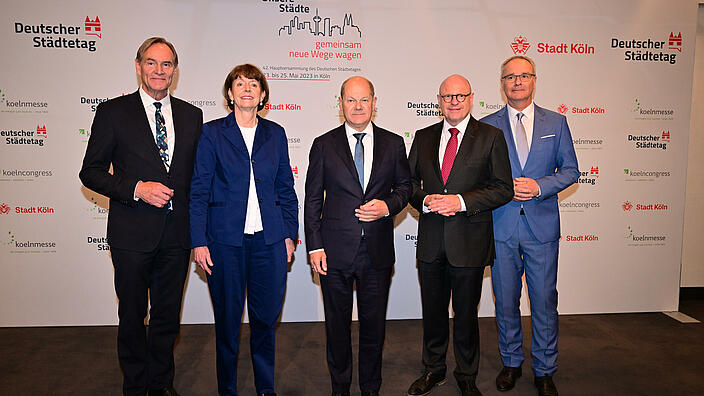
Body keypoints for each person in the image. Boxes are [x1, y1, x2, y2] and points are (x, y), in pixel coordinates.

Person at [79, 37, 203, 396]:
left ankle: (161, 383)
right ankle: (134, 385)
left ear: (175, 71)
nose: (159, 71)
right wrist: (137, 188)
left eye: (166, 65)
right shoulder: (112, 112)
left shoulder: (192, 115)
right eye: (151, 63)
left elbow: (198, 177)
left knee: (167, 318)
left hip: (177, 236)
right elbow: (91, 172)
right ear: (138, 66)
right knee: (132, 317)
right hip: (132, 234)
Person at [189, 64, 298, 396]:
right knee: (227, 325)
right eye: (240, 84)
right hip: (224, 244)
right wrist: (198, 241)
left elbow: (286, 188)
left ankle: (265, 388)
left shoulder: (275, 133)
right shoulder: (212, 133)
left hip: (270, 242)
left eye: (254, 84)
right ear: (229, 94)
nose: (247, 89)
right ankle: (228, 390)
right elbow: (199, 190)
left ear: (263, 94)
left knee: (265, 323)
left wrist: (290, 234)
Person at [406, 74, 513, 396]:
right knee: (433, 313)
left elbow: (503, 188)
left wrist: (461, 202)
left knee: (466, 315)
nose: (453, 101)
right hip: (431, 243)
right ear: (438, 101)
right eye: (447, 96)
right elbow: (407, 184)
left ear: (471, 98)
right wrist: (424, 200)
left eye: (460, 96)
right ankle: (433, 369)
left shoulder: (491, 136)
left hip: (469, 243)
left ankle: (467, 374)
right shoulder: (423, 137)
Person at [304, 76, 412, 396]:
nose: (358, 106)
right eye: (351, 100)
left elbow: (405, 188)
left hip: (376, 251)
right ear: (341, 104)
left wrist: (386, 207)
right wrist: (315, 246)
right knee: (336, 327)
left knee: (373, 328)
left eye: (364, 99)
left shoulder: (393, 143)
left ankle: (370, 388)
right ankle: (340, 388)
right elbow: (312, 199)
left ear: (375, 102)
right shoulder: (324, 144)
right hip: (334, 252)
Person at [480, 56, 579, 396]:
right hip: (500, 227)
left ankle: (545, 368)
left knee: (543, 300)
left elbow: (570, 171)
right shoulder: (486, 125)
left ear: (534, 80)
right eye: (510, 76)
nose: (517, 82)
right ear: (502, 82)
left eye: (523, 76)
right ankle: (511, 362)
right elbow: (477, 177)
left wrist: (540, 186)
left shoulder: (558, 122)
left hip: (542, 228)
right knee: (505, 301)